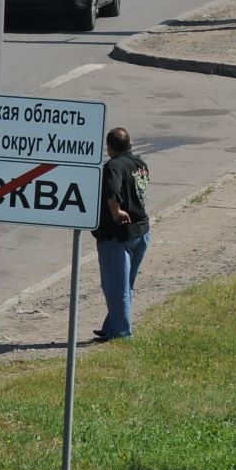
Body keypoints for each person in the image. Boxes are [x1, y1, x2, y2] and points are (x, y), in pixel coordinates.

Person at [94, 126, 151, 340]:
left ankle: (122, 333)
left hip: (118, 235)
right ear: (131, 144)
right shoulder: (140, 164)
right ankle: (111, 326)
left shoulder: (113, 167)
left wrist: (116, 212)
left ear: (109, 148)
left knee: (115, 287)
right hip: (141, 231)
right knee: (125, 285)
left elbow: (112, 190)